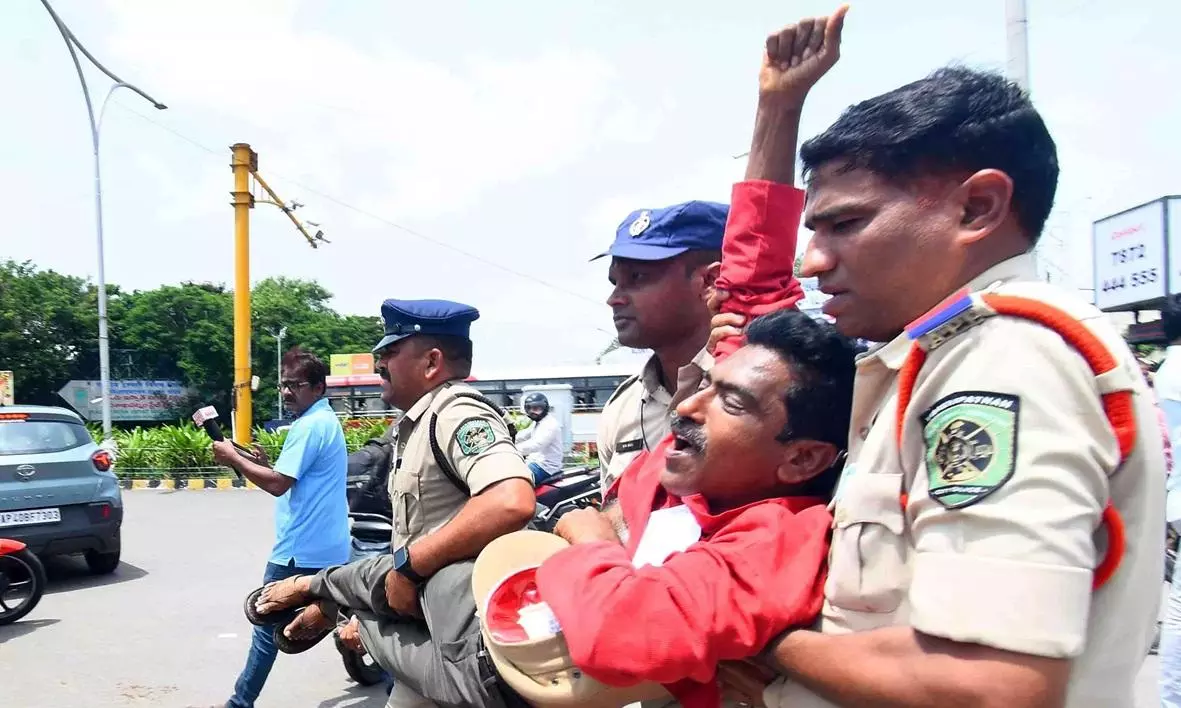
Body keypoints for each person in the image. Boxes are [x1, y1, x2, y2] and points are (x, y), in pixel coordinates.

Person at [710, 10, 1165, 706]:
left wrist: (746, 630)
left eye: (846, 223)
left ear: (976, 207)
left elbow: (985, 684)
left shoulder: (1004, 358)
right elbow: (753, 306)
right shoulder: (936, 355)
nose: (814, 259)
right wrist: (778, 109)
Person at [474, 309, 855, 708]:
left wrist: (591, 541)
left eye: (731, 402)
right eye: (706, 385)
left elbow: (616, 632)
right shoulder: (696, 475)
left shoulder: (778, 541)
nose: (688, 406)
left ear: (802, 460)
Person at [245, 299, 536, 708]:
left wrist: (408, 569)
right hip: (429, 626)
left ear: (432, 362)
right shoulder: (417, 422)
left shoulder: (456, 413)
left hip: (463, 636)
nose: (380, 364)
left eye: (391, 353)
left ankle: (327, 608)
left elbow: (510, 500)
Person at [211, 347, 350, 708]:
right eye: (283, 386)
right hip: (330, 547)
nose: (287, 393)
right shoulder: (324, 420)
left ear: (318, 387)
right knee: (343, 613)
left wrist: (233, 459)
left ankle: (239, 704)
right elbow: (290, 477)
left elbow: (277, 485)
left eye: (296, 385)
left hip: (297, 551)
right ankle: (377, 671)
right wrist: (258, 462)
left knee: (264, 627)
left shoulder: (308, 426)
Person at [515, 392, 564, 484]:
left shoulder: (550, 424)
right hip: (535, 462)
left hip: (545, 467)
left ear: (544, 408)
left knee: (517, 483)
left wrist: (512, 449)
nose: (533, 411)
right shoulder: (538, 422)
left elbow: (536, 445)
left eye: (537, 408)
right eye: (530, 408)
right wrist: (505, 438)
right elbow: (523, 435)